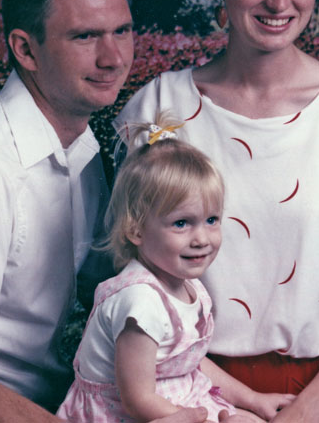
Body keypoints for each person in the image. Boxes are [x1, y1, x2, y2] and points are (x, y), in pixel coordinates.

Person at [114, 0, 319, 423]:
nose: (281, 1)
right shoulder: (159, 106)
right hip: (184, 390)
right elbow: (133, 283)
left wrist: (316, 405)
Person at [0, 0, 212, 423]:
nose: (113, 58)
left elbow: (121, 296)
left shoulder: (84, 147)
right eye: (86, 36)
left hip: (60, 403)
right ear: (26, 49)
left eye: (123, 31)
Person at [57, 114, 294, 423]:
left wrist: (252, 399)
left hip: (177, 396)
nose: (202, 238)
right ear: (136, 230)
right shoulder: (140, 302)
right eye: (182, 223)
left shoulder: (187, 284)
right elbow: (137, 399)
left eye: (211, 220)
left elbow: (188, 363)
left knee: (249, 419)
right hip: (125, 411)